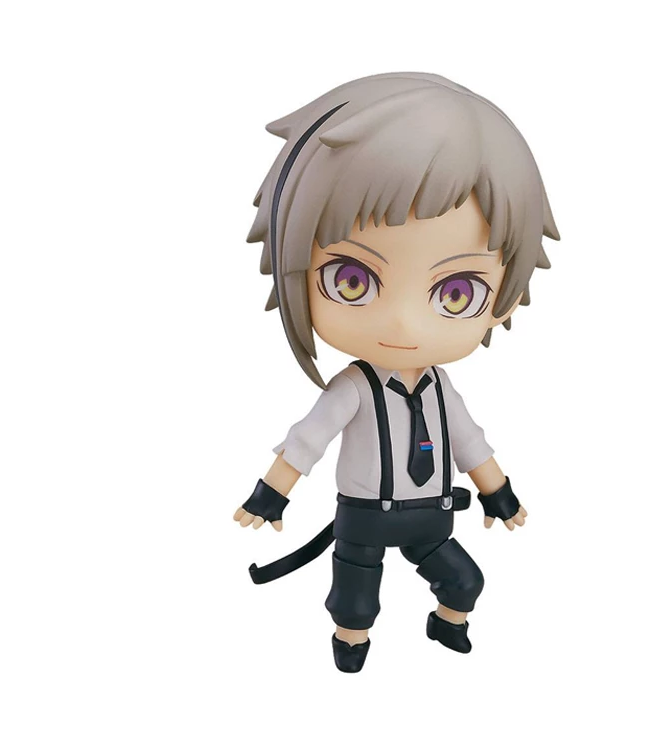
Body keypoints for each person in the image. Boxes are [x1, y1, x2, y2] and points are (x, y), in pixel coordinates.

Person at [234, 72, 559, 672]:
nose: (405, 322)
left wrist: (499, 492)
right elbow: (309, 438)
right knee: (355, 601)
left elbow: (469, 440)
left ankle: (447, 623)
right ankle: (350, 642)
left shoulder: (440, 388)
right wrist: (271, 494)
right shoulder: (354, 389)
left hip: (430, 515)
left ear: (505, 296)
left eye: (456, 292)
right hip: (364, 518)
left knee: (465, 581)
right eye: (352, 280)